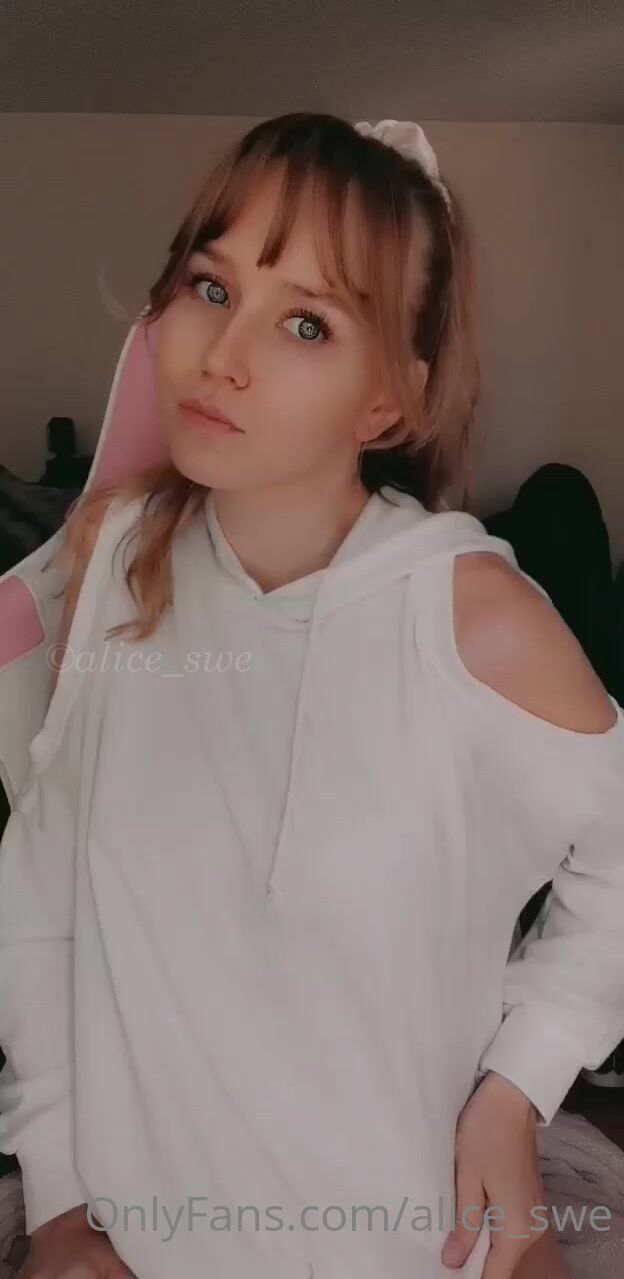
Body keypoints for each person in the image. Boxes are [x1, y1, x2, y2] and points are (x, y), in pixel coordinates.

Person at [1, 111, 623, 1279]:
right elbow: (41, 889)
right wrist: (57, 1193)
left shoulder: (473, 617)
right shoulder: (119, 563)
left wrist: (522, 1081)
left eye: (306, 323)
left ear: (389, 400)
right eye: (210, 286)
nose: (223, 354)